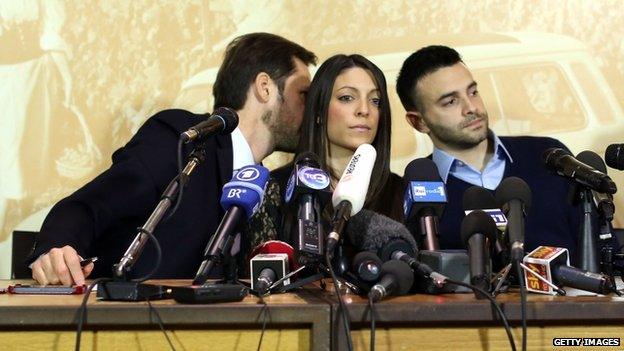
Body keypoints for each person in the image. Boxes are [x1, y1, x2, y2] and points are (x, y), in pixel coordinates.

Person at [28, 32, 317, 285]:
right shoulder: (182, 140)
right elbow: (89, 207)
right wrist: (55, 249)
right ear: (265, 87)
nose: (312, 109)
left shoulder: (272, 186)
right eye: (303, 93)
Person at [395, 45, 582, 264]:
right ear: (419, 122)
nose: (470, 107)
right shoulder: (417, 190)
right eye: (451, 101)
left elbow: (602, 255)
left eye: (473, 92)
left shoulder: (548, 156)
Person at [246, 54, 405, 251]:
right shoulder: (276, 188)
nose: (364, 110)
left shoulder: (401, 192)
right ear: (319, 111)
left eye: (375, 101)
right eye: (347, 98)